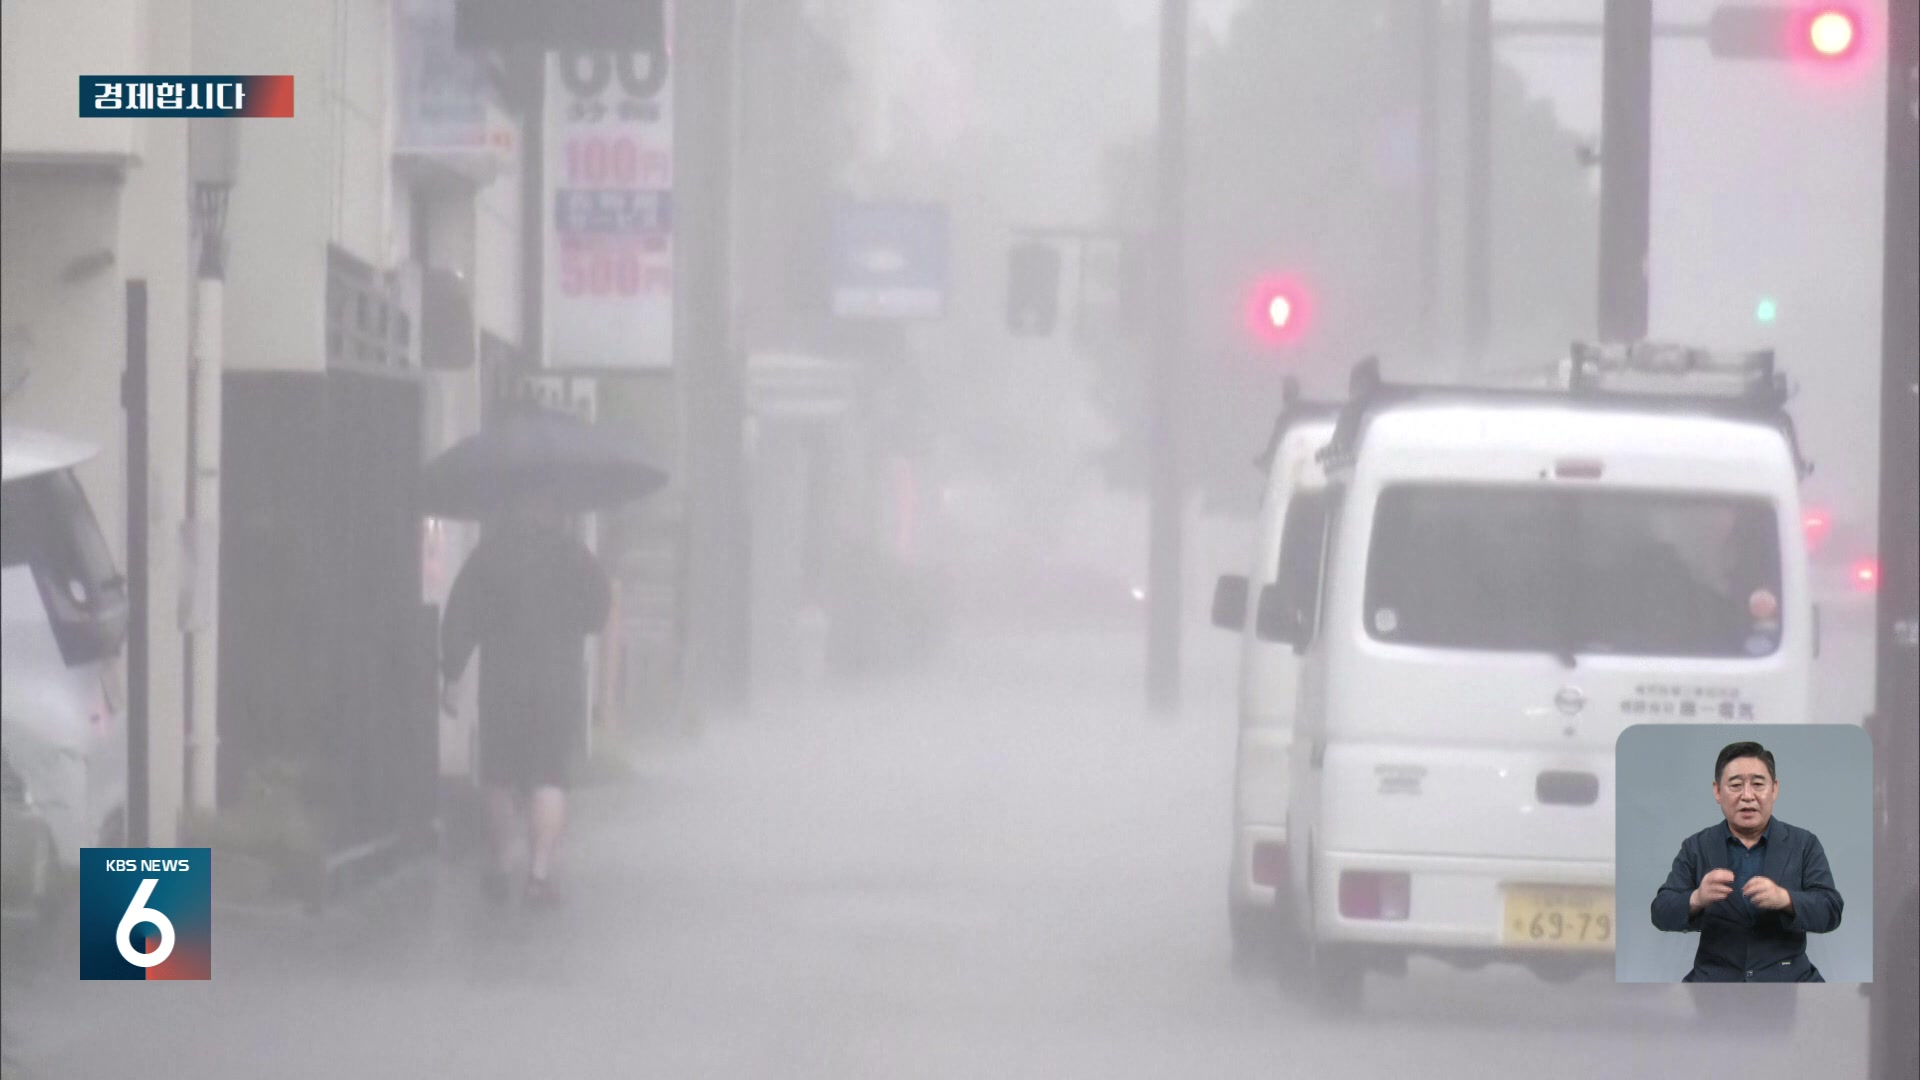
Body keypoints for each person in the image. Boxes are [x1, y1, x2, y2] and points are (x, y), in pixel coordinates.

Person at [440, 491, 612, 906]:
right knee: (548, 779)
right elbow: (598, 613)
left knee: (498, 777)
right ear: (555, 510)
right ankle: (537, 875)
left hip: (503, 683)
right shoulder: (576, 557)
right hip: (556, 684)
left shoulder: (490, 556)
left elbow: (461, 614)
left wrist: (452, 673)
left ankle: (500, 866)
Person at [1649, 741, 1843, 982]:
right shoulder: (1696, 846)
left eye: (1758, 784)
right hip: (1715, 980)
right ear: (1717, 791)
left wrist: (1785, 899)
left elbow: (1831, 910)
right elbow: (1660, 911)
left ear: (1774, 789)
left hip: (1787, 978)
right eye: (1736, 785)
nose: (1747, 796)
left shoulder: (1804, 843)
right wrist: (1696, 898)